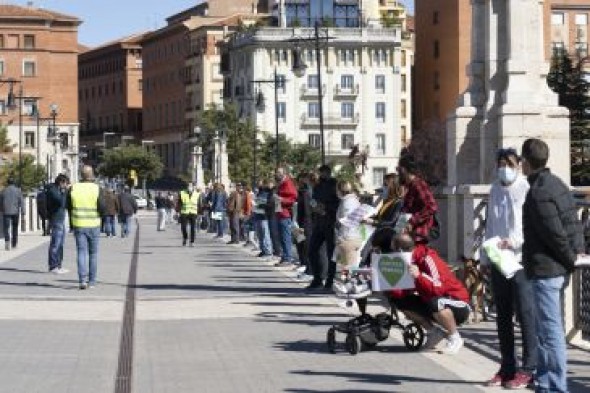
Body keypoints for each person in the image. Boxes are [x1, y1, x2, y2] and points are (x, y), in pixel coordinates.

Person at [520, 138, 585, 393]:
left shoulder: (539, 192)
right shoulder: (557, 184)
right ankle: (545, 381)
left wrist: (570, 257)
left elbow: (554, 233)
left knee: (550, 331)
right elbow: (574, 223)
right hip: (557, 268)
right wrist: (576, 253)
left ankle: (555, 386)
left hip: (548, 269)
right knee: (547, 328)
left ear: (526, 161)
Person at [483, 148, 538, 389]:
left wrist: (515, 242)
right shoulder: (495, 189)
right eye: (500, 163)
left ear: (518, 165)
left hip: (520, 259)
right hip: (498, 258)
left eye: (508, 163)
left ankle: (529, 367)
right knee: (502, 314)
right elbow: (490, 224)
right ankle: (507, 366)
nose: (503, 168)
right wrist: (485, 258)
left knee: (526, 314)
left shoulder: (525, 188)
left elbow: (529, 224)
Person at [389, 233, 470, 354]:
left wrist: (419, 276)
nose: (393, 254)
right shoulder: (408, 262)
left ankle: (455, 338)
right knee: (401, 301)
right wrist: (386, 283)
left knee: (435, 302)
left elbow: (438, 288)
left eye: (394, 250)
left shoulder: (427, 258)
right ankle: (434, 332)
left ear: (400, 250)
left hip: (457, 303)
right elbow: (402, 293)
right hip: (433, 301)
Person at [67, 166, 105, 290]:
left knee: (81, 252)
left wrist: (72, 224)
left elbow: (68, 206)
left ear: (81, 175)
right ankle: (92, 282)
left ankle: (82, 280)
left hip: (79, 224)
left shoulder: (73, 188)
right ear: (92, 174)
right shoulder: (97, 188)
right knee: (93, 254)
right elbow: (102, 207)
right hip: (94, 224)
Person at [307, 165, 339, 290]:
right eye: (320, 173)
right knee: (312, 251)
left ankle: (330, 281)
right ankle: (317, 278)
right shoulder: (318, 186)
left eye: (324, 173)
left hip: (330, 222)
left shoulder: (334, 184)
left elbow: (338, 203)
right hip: (319, 222)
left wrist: (325, 208)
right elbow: (313, 200)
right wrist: (314, 206)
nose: (322, 175)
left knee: (331, 253)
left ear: (329, 172)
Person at [397, 154, 438, 245]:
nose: (397, 172)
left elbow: (431, 206)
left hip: (418, 236)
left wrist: (412, 222)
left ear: (403, 169)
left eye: (398, 169)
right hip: (409, 235)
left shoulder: (418, 184)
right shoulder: (409, 186)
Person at [334, 181, 362, 268]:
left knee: (347, 268)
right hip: (353, 236)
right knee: (347, 267)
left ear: (340, 190)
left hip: (348, 237)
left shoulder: (347, 202)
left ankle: (348, 280)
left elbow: (348, 220)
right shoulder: (353, 200)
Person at [274, 167, 298, 266]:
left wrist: (281, 199)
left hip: (285, 214)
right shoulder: (281, 183)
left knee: (285, 237)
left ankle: (287, 258)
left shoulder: (287, 183)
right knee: (281, 237)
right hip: (280, 213)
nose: (277, 174)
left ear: (284, 173)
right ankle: (284, 257)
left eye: (279, 172)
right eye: (276, 172)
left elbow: (293, 198)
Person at [46, 174, 69, 274]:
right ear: (61, 182)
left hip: (61, 219)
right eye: (65, 183)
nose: (66, 185)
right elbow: (61, 202)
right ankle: (53, 266)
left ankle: (59, 265)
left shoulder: (58, 190)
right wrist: (64, 193)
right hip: (56, 219)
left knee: (60, 244)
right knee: (56, 243)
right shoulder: (53, 190)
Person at [1, 178, 23, 251]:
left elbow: (0, 202)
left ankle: (7, 243)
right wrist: (23, 211)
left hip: (6, 212)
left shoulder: (3, 191)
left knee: (6, 228)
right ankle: (14, 244)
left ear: (8, 183)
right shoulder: (18, 191)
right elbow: (21, 202)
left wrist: (1, 210)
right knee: (15, 228)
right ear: (14, 182)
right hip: (15, 212)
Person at [254, 180, 273, 257]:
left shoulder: (267, 192)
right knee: (260, 235)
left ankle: (268, 251)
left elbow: (267, 204)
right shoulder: (259, 193)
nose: (259, 185)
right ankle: (263, 250)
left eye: (261, 184)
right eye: (258, 184)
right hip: (258, 215)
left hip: (264, 216)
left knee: (265, 234)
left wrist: (261, 205)